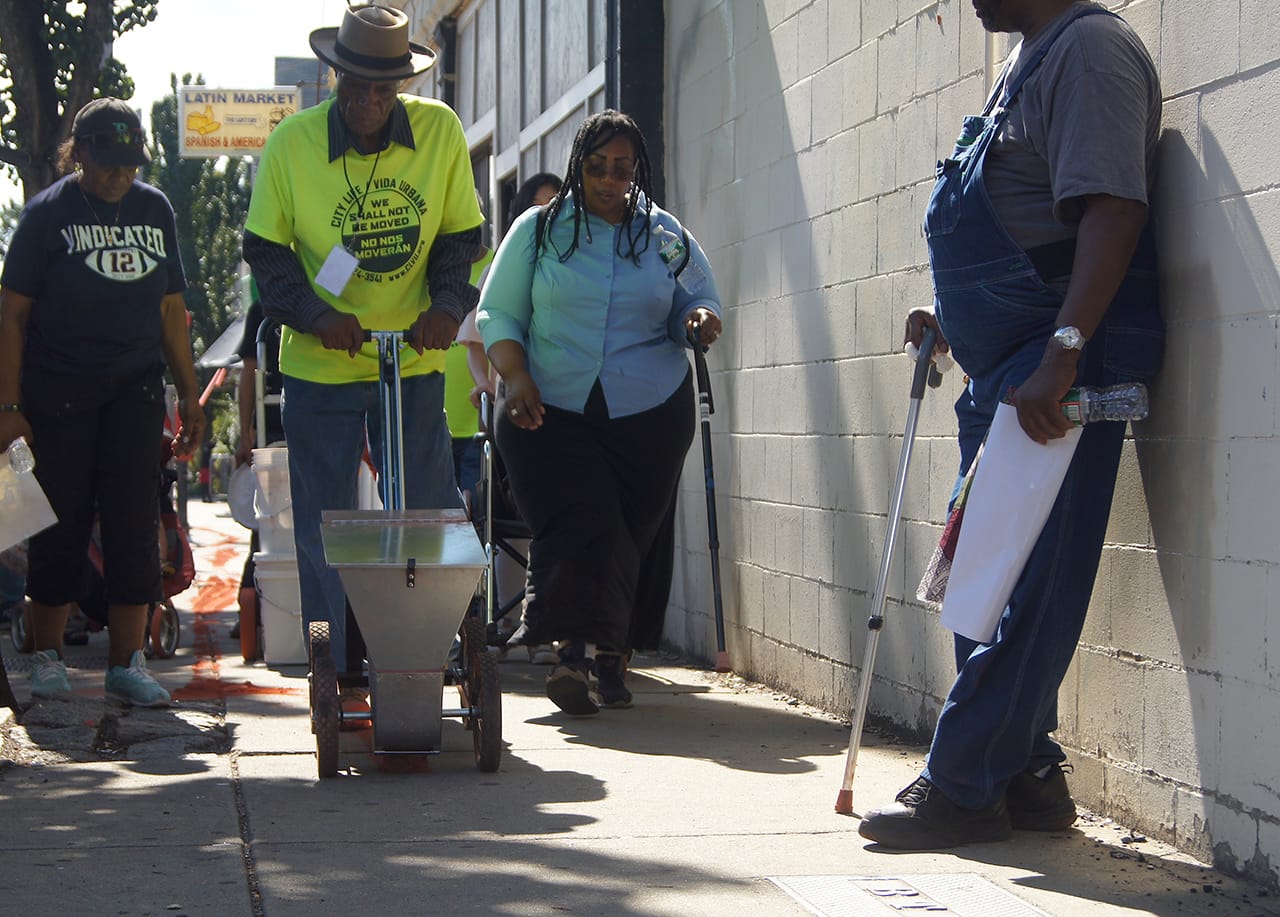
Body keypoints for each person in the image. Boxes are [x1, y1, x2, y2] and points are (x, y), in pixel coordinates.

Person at [861, 0, 1164, 849]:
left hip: (1050, 372)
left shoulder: (1090, 51)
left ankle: (963, 785)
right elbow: (1025, 216)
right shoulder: (1026, 59)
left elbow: (1113, 210)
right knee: (981, 581)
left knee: (1029, 585)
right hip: (1005, 368)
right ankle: (1026, 773)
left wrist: (1063, 353)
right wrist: (955, 312)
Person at [241, 4, 485, 670]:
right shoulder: (292, 143)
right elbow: (267, 253)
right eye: (356, 85)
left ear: (402, 85)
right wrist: (315, 315)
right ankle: (335, 658)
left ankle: (434, 646)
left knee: (428, 507)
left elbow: (459, 238)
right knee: (326, 517)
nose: (369, 101)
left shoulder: (439, 130)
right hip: (321, 364)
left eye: (384, 88)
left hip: (410, 357)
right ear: (334, 77)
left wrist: (445, 306)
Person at [476, 111, 723, 715]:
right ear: (577, 166)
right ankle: (571, 655)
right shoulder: (538, 230)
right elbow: (497, 313)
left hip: (649, 407)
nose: (609, 180)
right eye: (596, 167)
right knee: (582, 518)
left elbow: (697, 297)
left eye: (621, 168)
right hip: (548, 406)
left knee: (632, 531)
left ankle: (612, 656)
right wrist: (516, 375)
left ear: (636, 170)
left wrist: (699, 318)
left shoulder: (663, 234)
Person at [0, 97, 206, 707]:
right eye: (109, 161)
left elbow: (171, 309)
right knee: (59, 523)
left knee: (134, 523)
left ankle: (127, 663)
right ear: (79, 153)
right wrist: (8, 408)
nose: (121, 174)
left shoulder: (154, 209)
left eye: (130, 162)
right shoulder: (46, 215)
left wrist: (189, 396)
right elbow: (12, 315)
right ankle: (46, 656)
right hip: (58, 392)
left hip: (134, 390)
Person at [230, 293, 284, 644]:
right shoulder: (263, 309)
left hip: (314, 418)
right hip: (270, 429)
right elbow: (249, 372)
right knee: (267, 521)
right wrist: (245, 432)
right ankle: (252, 604)